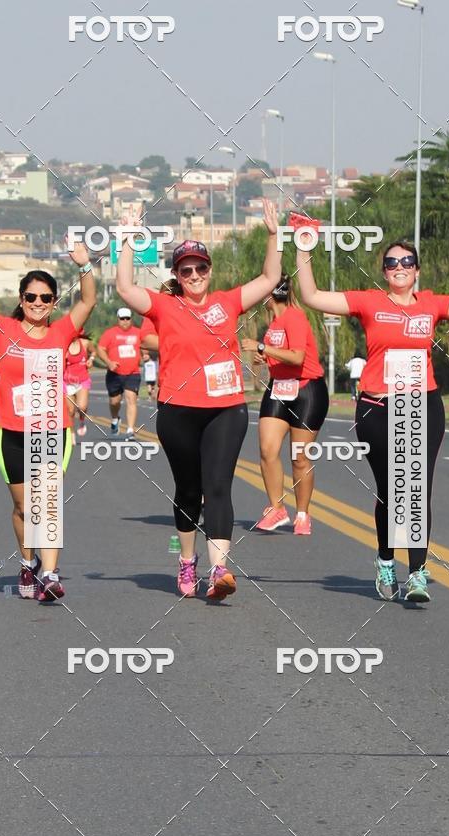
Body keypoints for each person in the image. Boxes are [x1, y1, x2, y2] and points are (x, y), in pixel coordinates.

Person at [296, 228, 449, 603]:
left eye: (407, 262)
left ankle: (416, 574)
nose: (400, 267)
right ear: (384, 272)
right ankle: (384, 559)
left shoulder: (431, 304)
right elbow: (311, 296)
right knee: (391, 491)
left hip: (422, 404)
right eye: (392, 262)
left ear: (417, 271)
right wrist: (303, 249)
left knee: (416, 490)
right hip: (377, 407)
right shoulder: (368, 302)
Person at [116, 199, 282, 601]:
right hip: (178, 410)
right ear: (177, 274)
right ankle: (187, 560)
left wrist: (275, 235)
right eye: (186, 269)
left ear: (210, 271)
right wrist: (126, 239)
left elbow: (269, 276)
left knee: (218, 487)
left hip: (226, 408)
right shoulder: (164, 305)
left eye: (200, 268)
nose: (194, 275)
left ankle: (219, 570)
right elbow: (124, 287)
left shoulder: (228, 302)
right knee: (189, 490)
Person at [0, 234, 97, 602]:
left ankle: (51, 574)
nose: (38, 303)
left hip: (53, 431)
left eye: (45, 298)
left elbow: (89, 299)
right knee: (25, 507)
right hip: (11, 431)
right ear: (21, 300)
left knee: (48, 502)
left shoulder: (61, 331)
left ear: (54, 302)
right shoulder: (1, 328)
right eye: (31, 297)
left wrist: (84, 264)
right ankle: (28, 564)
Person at [241, 274, 327, 536]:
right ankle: (277, 508)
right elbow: (277, 355)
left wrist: (262, 347)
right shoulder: (275, 322)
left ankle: (302, 514)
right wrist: (261, 357)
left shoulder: (294, 317)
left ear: (270, 294)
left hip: (307, 390)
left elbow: (298, 356)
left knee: (299, 457)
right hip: (278, 388)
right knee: (267, 450)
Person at [96, 308, 155, 438]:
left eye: (127, 318)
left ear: (131, 319)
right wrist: (109, 362)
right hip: (115, 374)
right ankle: (115, 419)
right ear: (118, 319)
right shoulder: (110, 333)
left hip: (132, 373)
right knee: (114, 401)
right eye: (122, 318)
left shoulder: (138, 333)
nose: (125, 321)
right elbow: (100, 349)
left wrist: (145, 355)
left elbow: (145, 346)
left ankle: (130, 430)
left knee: (131, 399)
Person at [64, 330, 95, 437]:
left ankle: (82, 419)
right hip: (67, 382)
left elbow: (94, 351)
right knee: (70, 411)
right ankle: (71, 433)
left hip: (82, 380)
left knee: (82, 407)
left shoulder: (85, 342)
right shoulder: (63, 344)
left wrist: (91, 359)